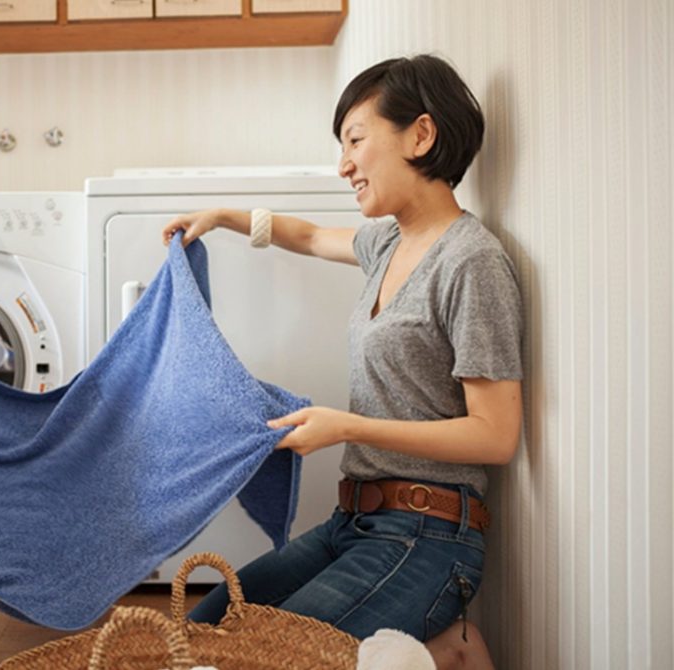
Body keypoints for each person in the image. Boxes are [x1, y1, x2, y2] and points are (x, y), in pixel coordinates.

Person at [162, 54, 521, 670]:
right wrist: (220, 216)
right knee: (203, 628)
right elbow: (303, 235)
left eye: (355, 139)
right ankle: (444, 650)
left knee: (253, 657)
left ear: (421, 134)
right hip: (353, 524)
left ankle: (440, 643)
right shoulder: (387, 240)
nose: (344, 164)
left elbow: (496, 435)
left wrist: (345, 427)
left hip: (429, 538)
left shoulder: (471, 261)